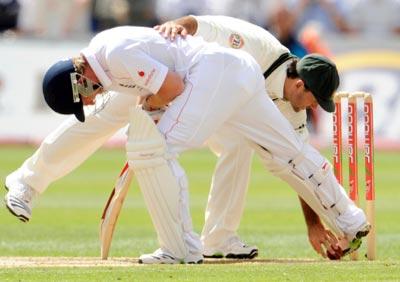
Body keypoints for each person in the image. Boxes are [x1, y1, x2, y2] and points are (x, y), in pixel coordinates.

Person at [5, 25, 370, 264]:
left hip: (210, 74)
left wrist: (151, 109)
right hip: (233, 75)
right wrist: (150, 104)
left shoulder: (115, 55)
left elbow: (174, 88)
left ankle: (181, 248)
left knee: (153, 150)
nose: (84, 103)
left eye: (79, 98)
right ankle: (352, 220)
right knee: (289, 150)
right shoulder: (101, 60)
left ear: (78, 81)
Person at [154, 15, 344, 259]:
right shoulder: (260, 47)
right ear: (300, 86)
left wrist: (313, 224)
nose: (315, 108)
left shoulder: (295, 114)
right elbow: (203, 25)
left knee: (238, 143)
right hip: (184, 86)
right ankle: (178, 242)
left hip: (218, 109)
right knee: (223, 143)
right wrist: (178, 26)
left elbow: (299, 167)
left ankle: (217, 240)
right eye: (316, 100)